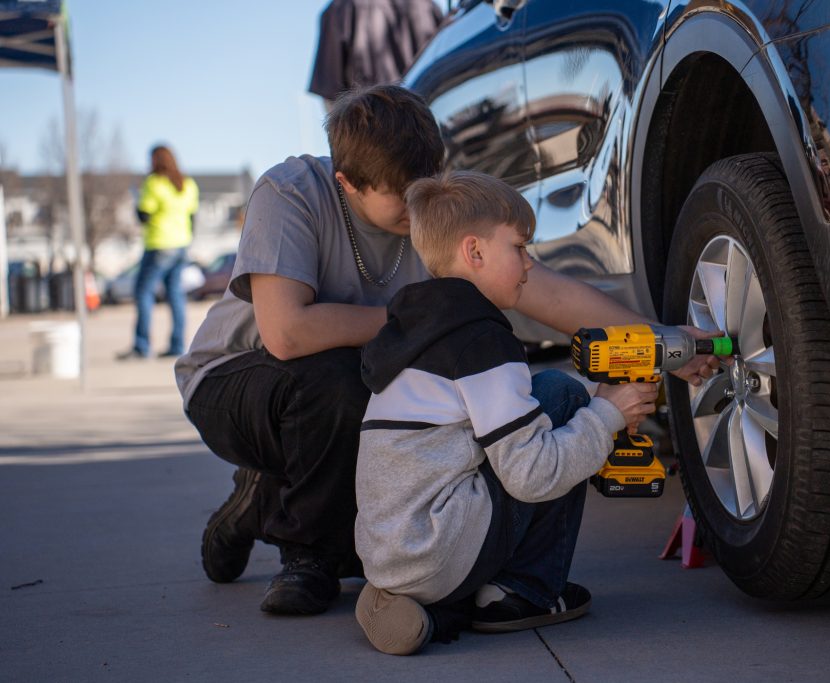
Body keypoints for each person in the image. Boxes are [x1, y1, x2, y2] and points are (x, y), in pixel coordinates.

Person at [175, 84, 721, 617]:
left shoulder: (436, 211)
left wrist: (663, 340)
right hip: (234, 383)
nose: (418, 206)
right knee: (341, 381)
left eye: (427, 181)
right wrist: (426, 321)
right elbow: (286, 333)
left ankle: (271, 497)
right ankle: (305, 555)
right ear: (348, 183)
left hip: (340, 386)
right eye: (401, 195)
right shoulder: (291, 193)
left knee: (405, 393)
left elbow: (545, 292)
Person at [352, 171, 660, 655]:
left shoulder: (416, 334)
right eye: (519, 247)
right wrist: (605, 413)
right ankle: (522, 593)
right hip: (438, 548)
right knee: (561, 395)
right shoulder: (482, 342)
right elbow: (532, 475)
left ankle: (414, 601)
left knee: (555, 396)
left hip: (393, 550)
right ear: (474, 252)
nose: (529, 264)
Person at [120, 145, 199, 359]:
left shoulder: (154, 183)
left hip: (159, 245)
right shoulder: (187, 184)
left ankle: (141, 345)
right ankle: (177, 345)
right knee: (175, 294)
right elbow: (193, 217)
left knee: (143, 292)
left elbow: (143, 216)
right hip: (182, 244)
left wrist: (137, 201)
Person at [308, 0, 443, 107]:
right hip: (429, 124)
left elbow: (330, 94)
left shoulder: (340, 9)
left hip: (375, 130)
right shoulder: (427, 6)